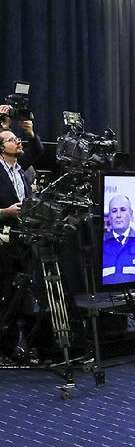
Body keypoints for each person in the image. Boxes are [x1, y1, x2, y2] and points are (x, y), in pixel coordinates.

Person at [0, 108, 47, 360]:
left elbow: (37, 150)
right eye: (10, 139)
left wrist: (29, 132)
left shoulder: (19, 168)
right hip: (3, 238)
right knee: (5, 294)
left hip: (23, 239)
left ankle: (21, 346)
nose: (16, 141)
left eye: (17, 139)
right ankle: (4, 348)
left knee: (24, 294)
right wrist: (4, 211)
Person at [102, 195, 135, 285]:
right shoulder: (101, 245)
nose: (118, 215)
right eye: (114, 211)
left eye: (123, 210)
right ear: (109, 216)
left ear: (131, 214)